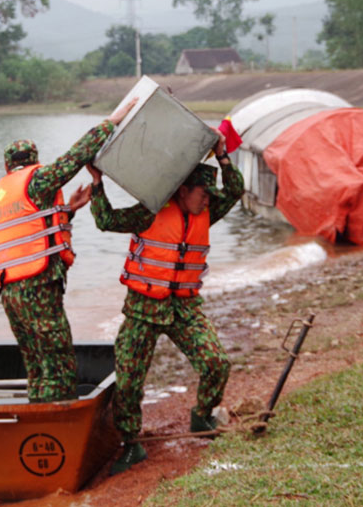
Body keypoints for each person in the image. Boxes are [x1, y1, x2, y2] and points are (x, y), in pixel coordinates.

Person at [85, 129, 242, 474]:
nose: (208, 199)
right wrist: (97, 184)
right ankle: (131, 445)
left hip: (184, 308)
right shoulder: (150, 212)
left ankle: (202, 415)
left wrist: (222, 155)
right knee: (129, 381)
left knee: (216, 363)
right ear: (183, 190)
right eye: (203, 192)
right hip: (143, 308)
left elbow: (235, 190)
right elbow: (106, 220)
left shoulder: (207, 211)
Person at [0, 98, 137, 402]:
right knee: (59, 365)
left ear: (6, 165)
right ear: (34, 160)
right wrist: (112, 122)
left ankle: (38, 416)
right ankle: (62, 420)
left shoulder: (0, 196)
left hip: (11, 294)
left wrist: (68, 210)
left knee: (37, 367)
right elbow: (75, 156)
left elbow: (30, 230)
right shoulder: (37, 180)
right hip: (37, 288)